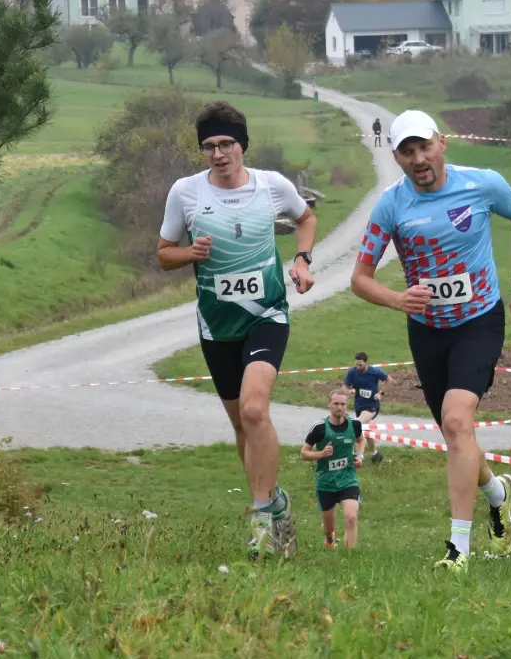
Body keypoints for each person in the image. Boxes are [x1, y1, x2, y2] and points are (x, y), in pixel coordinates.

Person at [349, 109, 511, 573]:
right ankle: (497, 492)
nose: (418, 159)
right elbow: (360, 278)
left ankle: (458, 551)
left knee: (457, 421)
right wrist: (397, 299)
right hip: (428, 332)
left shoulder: (482, 183)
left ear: (442, 143)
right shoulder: (391, 205)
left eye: (424, 147)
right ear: (396, 157)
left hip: (479, 321)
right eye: (407, 152)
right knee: (456, 434)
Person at [158, 101, 317, 559]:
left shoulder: (270, 186)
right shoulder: (185, 193)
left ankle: (263, 518)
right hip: (216, 325)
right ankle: (278, 502)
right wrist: (191, 254)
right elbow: (164, 253)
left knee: (253, 410)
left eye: (226, 143)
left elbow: (305, 217)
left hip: (266, 314)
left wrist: (302, 260)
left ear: (242, 145)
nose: (218, 153)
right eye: (208, 146)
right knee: (242, 428)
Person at [301, 390, 364, 549]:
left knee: (351, 517)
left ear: (346, 406)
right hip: (326, 482)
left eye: (343, 404)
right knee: (329, 529)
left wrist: (360, 456)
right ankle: (330, 538)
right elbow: (304, 453)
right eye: (336, 403)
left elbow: (360, 440)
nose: (339, 407)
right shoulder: (319, 428)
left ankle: (349, 558)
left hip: (348, 479)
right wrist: (321, 454)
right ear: (329, 405)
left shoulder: (354, 424)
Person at [343, 352, 389, 464]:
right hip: (359, 405)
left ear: (366, 363)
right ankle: (375, 454)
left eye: (360, 365)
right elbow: (344, 387)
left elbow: (389, 380)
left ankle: (356, 455)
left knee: (356, 425)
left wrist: (380, 393)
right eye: (356, 365)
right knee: (367, 430)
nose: (358, 367)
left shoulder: (375, 372)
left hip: (372, 406)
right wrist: (349, 391)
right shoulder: (352, 372)